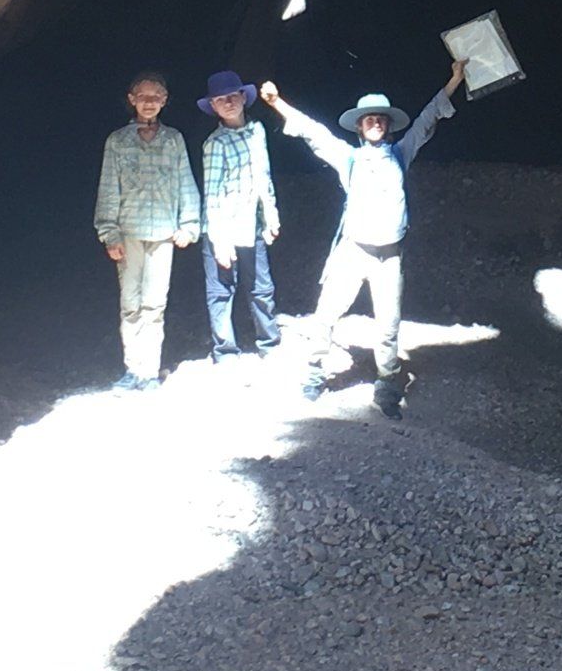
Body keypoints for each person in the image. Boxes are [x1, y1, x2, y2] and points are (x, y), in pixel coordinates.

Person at [259, 58, 467, 417]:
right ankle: (314, 372)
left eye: (381, 118)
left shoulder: (401, 153)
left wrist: (455, 80)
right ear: (360, 126)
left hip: (389, 254)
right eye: (369, 118)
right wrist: (277, 103)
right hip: (353, 250)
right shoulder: (349, 158)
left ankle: (387, 383)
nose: (375, 123)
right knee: (326, 313)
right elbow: (313, 132)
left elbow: (427, 118)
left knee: (388, 322)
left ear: (387, 126)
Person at [92, 71, 201, 390]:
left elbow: (185, 183)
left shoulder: (173, 139)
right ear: (132, 100)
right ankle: (132, 369)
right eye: (143, 96)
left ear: (165, 101)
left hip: (164, 232)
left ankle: (149, 371)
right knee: (131, 303)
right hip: (129, 231)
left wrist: (190, 225)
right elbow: (109, 187)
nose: (149, 102)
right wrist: (108, 232)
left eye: (156, 97)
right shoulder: (117, 141)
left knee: (155, 304)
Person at [197, 69, 282, 362]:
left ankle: (269, 343)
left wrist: (271, 217)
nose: (228, 103)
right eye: (220, 100)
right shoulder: (215, 144)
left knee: (262, 287)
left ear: (244, 98)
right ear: (213, 107)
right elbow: (212, 195)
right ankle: (225, 351)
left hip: (251, 224)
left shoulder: (257, 131)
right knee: (221, 291)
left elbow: (264, 178)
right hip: (222, 230)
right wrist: (220, 242)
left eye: (233, 96)